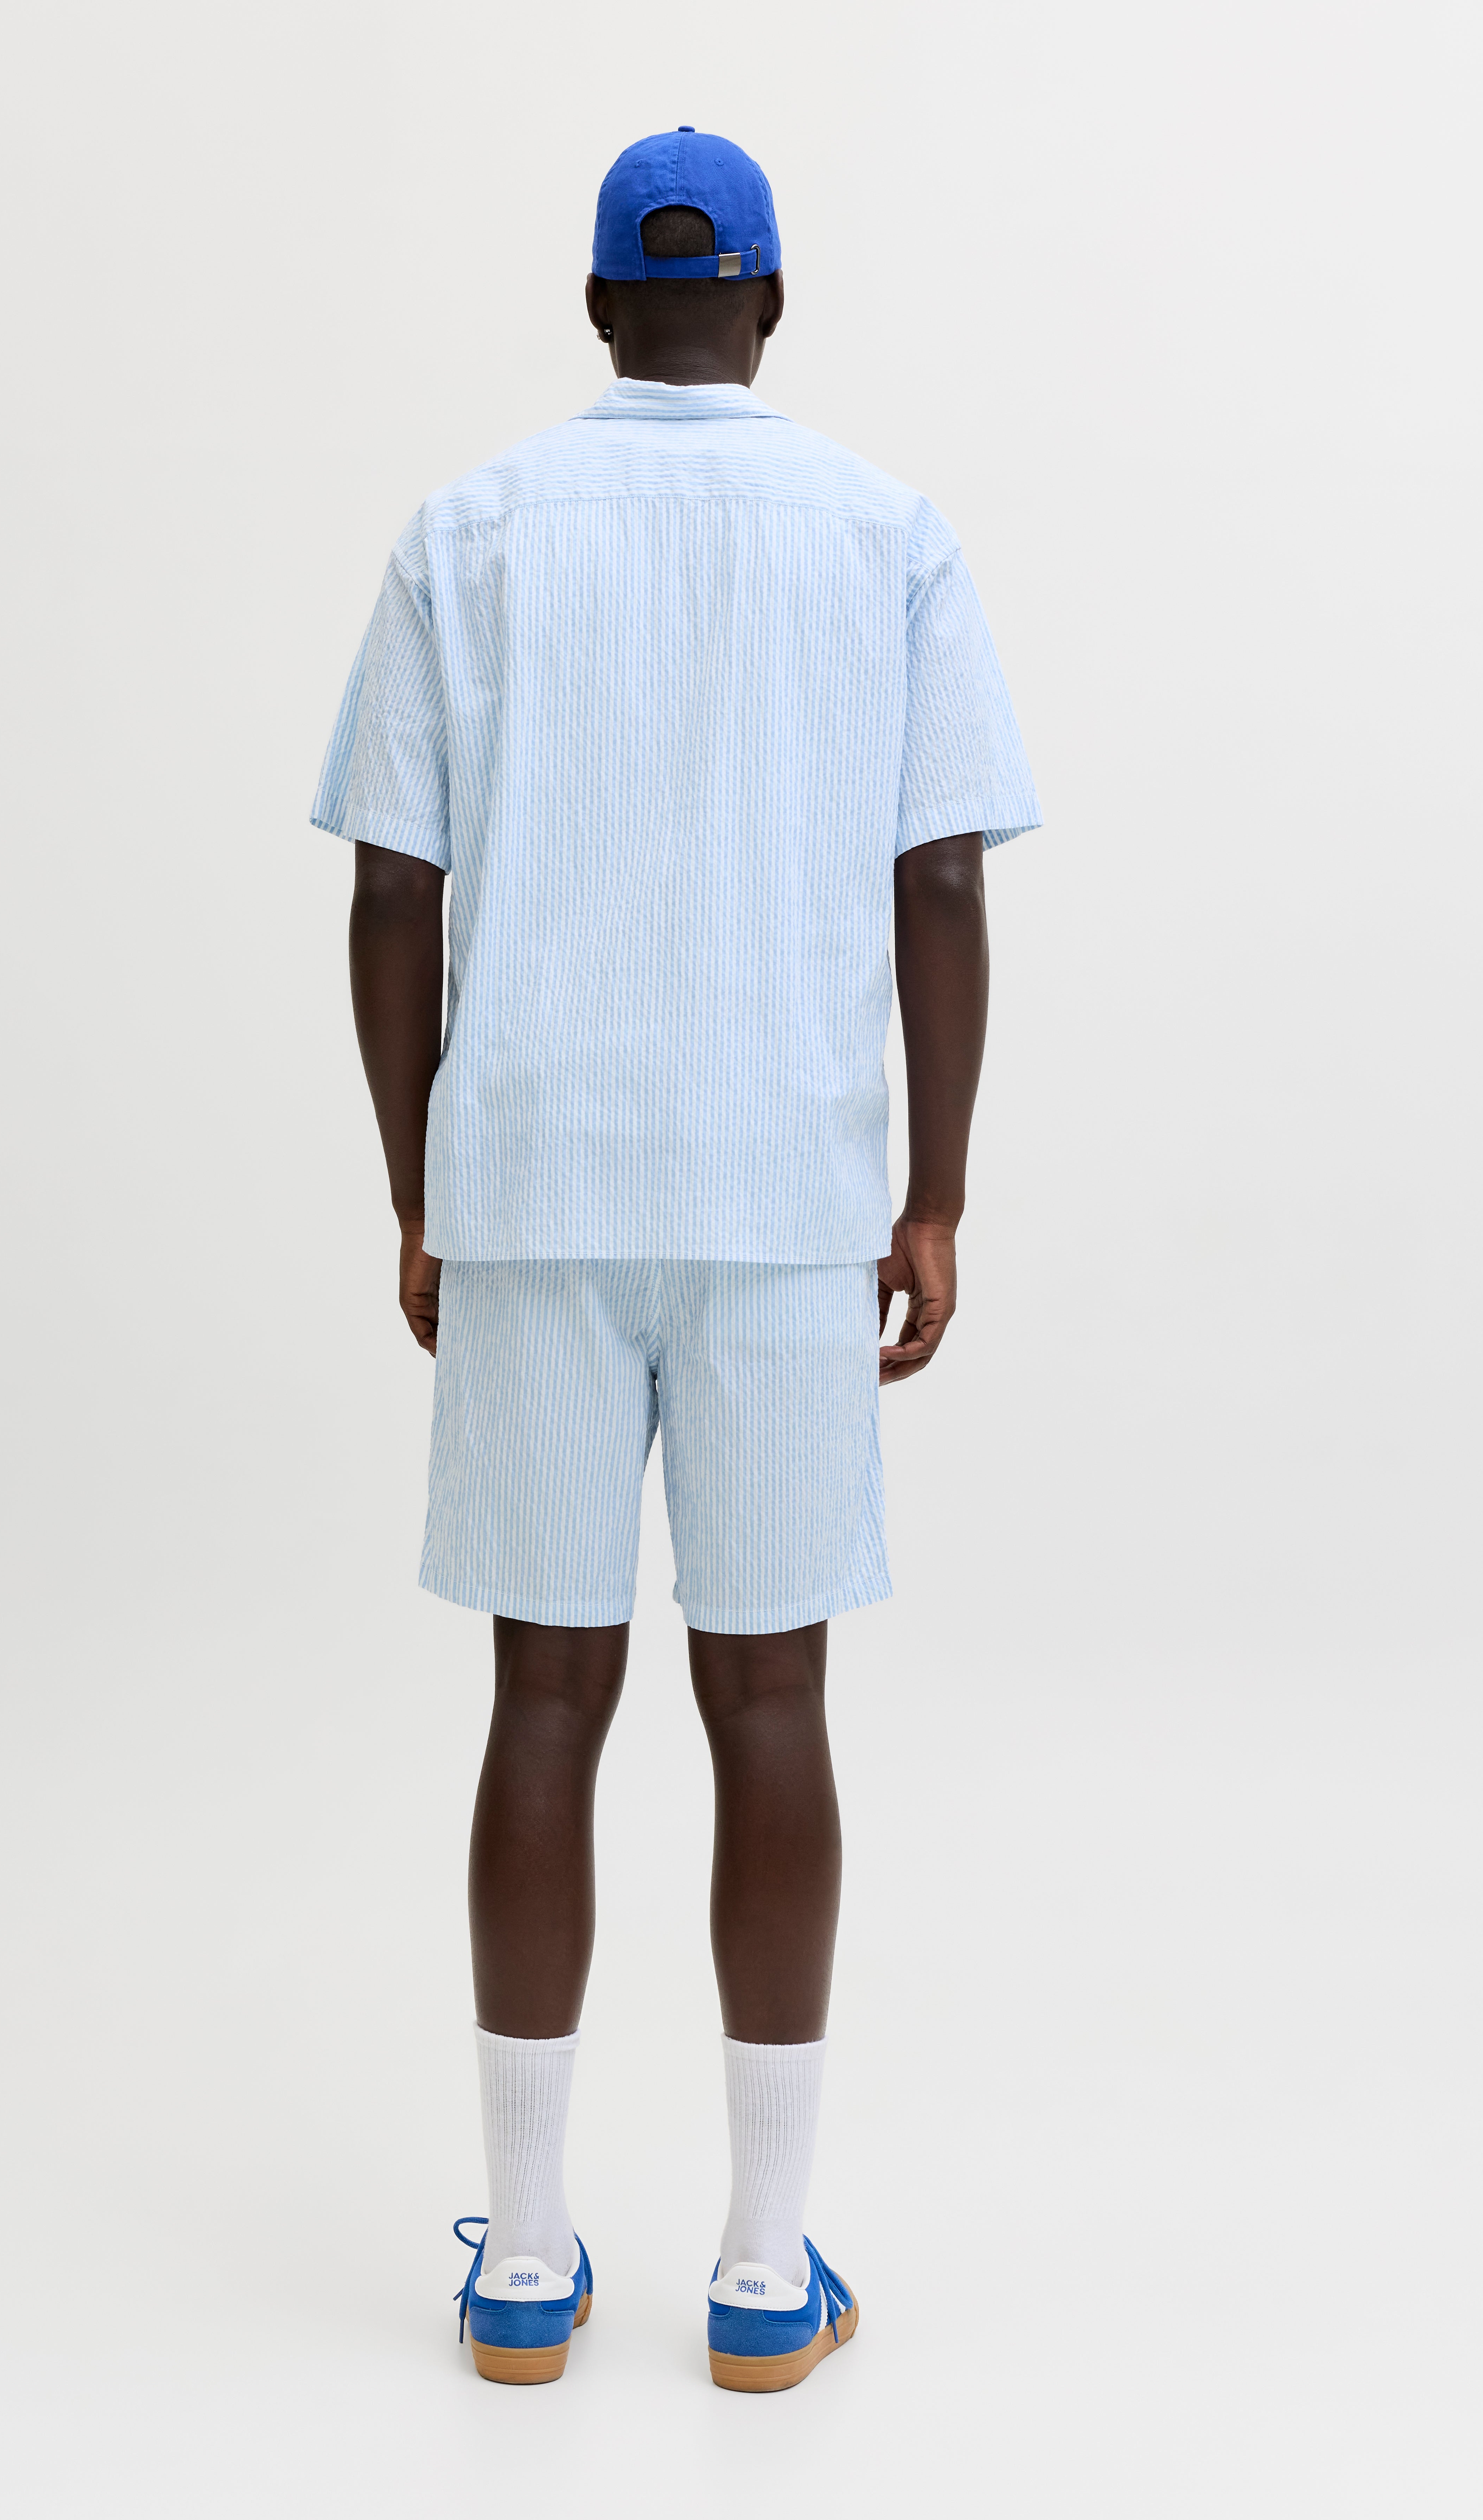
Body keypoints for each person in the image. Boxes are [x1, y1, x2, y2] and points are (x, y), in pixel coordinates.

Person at [312, 125, 1038, 2392]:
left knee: (543, 1702)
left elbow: (391, 891)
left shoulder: (469, 529)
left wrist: (417, 1187)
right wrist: (933, 1194)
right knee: (771, 1705)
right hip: (780, 1193)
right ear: (771, 302)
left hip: (533, 1181)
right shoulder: (883, 532)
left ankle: (527, 2265)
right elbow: (940, 881)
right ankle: (758, 2268)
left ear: (598, 306)